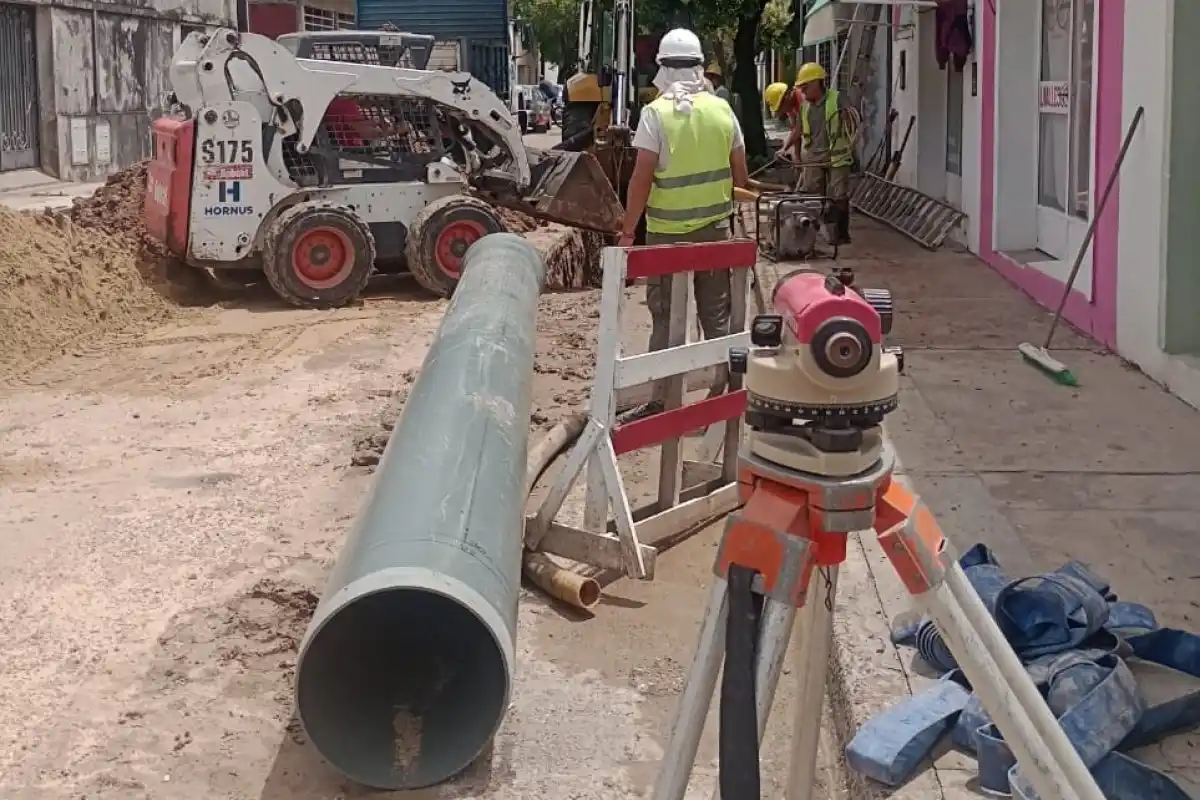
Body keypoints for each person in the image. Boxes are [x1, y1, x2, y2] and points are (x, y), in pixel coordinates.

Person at [616, 28, 749, 417]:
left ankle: (662, 400)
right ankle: (723, 396)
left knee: (666, 318)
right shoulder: (722, 110)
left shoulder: (655, 113)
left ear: (662, 67)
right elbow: (740, 175)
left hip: (666, 235)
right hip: (714, 231)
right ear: (699, 67)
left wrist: (628, 233)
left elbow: (641, 179)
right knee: (716, 314)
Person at [782, 62, 856, 244]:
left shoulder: (837, 99)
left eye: (806, 88)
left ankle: (840, 235)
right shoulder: (805, 107)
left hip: (837, 156)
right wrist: (785, 148)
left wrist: (848, 128)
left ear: (817, 83)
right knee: (812, 195)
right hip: (815, 157)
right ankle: (814, 233)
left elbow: (851, 119)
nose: (804, 93)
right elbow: (798, 129)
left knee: (839, 196)